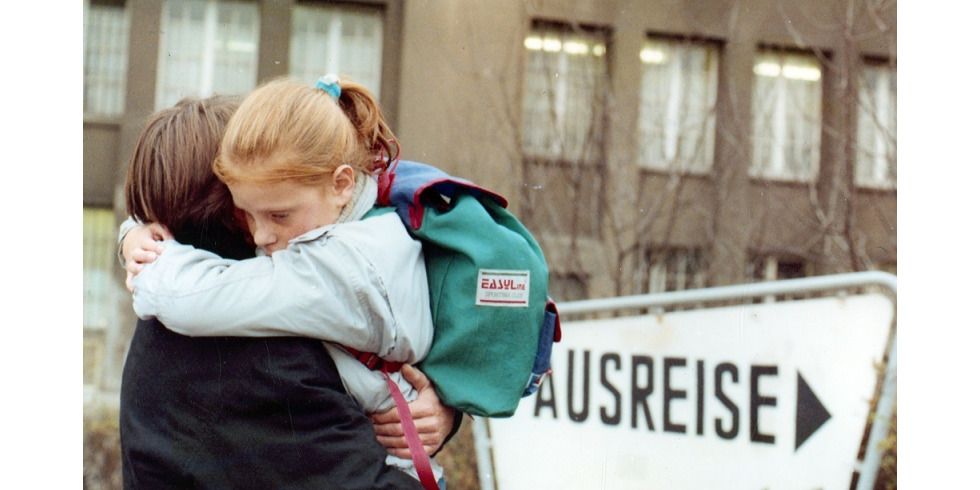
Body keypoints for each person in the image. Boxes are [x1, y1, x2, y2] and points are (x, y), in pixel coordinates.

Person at [123, 77, 449, 487]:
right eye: (251, 211)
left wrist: (134, 237)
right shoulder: (264, 354)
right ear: (228, 205)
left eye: (278, 212)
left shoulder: (164, 326)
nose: (264, 235)